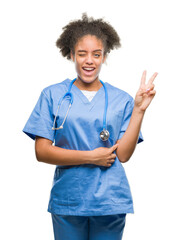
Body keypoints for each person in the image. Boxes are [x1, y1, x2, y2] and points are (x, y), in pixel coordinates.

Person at [23, 13, 157, 240]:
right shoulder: (52, 95)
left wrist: (139, 110)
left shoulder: (122, 99)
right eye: (82, 54)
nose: (89, 61)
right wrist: (91, 157)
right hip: (69, 200)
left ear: (104, 56)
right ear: (71, 55)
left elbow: (123, 155)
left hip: (109, 201)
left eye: (96, 54)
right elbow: (41, 151)